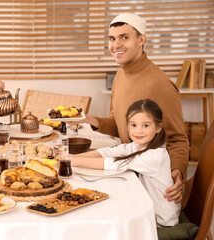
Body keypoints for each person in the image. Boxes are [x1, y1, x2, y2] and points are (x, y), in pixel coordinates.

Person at [70, 13, 189, 203]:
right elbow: (119, 126)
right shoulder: (120, 75)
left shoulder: (159, 83)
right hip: (130, 169)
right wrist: (89, 120)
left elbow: (178, 138)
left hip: (150, 187)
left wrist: (177, 172)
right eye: (112, 38)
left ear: (142, 39)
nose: (116, 45)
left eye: (124, 37)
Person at [72, 99, 180, 227]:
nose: (138, 131)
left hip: (161, 222)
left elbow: (114, 163)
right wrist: (72, 158)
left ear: (158, 127)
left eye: (145, 125)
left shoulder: (155, 156)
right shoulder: (138, 145)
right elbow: (109, 152)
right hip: (149, 209)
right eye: (133, 125)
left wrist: (75, 161)